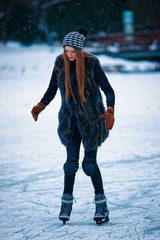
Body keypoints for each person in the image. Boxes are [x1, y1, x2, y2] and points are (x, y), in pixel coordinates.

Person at [31, 27, 115, 225]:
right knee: (70, 165)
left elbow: (108, 90)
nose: (69, 55)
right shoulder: (60, 63)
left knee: (89, 165)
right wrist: (41, 104)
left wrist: (110, 109)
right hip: (69, 121)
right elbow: (52, 88)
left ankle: (101, 204)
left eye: (73, 51)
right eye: (66, 50)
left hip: (93, 120)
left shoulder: (92, 63)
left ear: (79, 50)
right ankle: (66, 203)